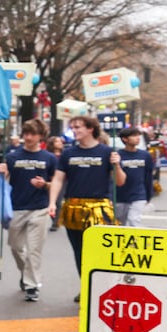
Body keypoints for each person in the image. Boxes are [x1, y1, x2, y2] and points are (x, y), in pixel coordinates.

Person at [48, 114, 124, 300]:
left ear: (90, 128)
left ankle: (103, 287)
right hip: (74, 207)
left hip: (99, 208)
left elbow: (120, 182)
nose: (74, 131)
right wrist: (52, 203)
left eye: (78, 127)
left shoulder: (107, 152)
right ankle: (87, 286)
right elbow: (58, 179)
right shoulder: (68, 153)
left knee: (99, 251)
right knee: (79, 251)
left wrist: (117, 165)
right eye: (72, 127)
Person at [0, 118, 57, 302]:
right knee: (16, 247)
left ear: (40, 136)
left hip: (39, 209)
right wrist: (1, 172)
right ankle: (27, 273)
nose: (28, 137)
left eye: (33, 134)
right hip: (17, 208)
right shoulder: (12, 157)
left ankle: (32, 285)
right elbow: (2, 183)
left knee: (34, 250)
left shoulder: (49, 158)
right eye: (26, 133)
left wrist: (45, 184)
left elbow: (56, 184)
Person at [114, 128, 155, 227]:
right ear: (125, 139)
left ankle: (135, 242)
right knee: (119, 224)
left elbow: (148, 176)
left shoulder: (145, 155)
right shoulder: (117, 155)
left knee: (134, 220)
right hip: (120, 196)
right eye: (134, 136)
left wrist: (149, 195)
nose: (138, 138)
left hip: (138, 195)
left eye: (138, 135)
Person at [47, 134, 67, 231]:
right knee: (51, 201)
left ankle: (56, 222)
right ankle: (54, 218)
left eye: (60, 141)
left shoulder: (64, 155)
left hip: (64, 180)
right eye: (57, 141)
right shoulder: (49, 156)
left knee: (59, 201)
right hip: (50, 180)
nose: (60, 143)